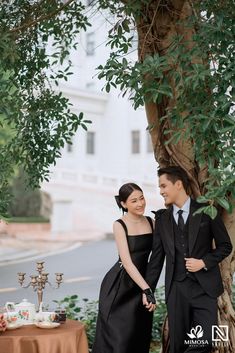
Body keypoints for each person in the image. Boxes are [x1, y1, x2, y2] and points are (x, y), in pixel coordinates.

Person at [144, 166, 232, 353]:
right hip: (177, 290)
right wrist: (148, 290)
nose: (161, 191)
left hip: (205, 288)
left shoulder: (207, 211)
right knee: (179, 344)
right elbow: (157, 259)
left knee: (206, 341)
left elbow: (226, 246)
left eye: (163, 186)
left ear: (178, 184)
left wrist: (204, 262)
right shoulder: (162, 219)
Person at [92, 182, 156, 353]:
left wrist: (146, 288)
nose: (140, 203)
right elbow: (127, 263)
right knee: (119, 342)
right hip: (120, 287)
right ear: (123, 204)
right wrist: (147, 290)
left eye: (142, 198)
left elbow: (159, 255)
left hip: (142, 284)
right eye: (134, 201)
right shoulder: (119, 224)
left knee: (139, 337)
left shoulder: (152, 222)